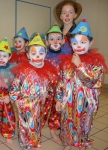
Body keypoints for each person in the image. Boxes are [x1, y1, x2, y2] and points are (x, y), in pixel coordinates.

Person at [55, 18, 108, 150]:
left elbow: (93, 82)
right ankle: (68, 142)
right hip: (69, 101)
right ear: (70, 44)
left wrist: (80, 65)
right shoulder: (67, 62)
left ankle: (81, 141)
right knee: (67, 121)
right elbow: (61, 82)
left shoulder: (96, 62)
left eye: (82, 42)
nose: (78, 45)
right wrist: (58, 99)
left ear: (91, 43)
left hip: (86, 101)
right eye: (74, 42)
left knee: (84, 122)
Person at [10, 33, 58, 150]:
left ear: (45, 54)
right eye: (34, 53)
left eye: (41, 53)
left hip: (40, 104)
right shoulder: (23, 70)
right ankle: (25, 143)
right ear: (28, 55)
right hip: (25, 103)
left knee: (37, 123)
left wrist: (52, 98)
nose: (37, 56)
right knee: (25, 124)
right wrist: (16, 99)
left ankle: (35, 141)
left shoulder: (48, 70)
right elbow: (15, 86)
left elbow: (52, 86)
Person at [44, 24, 65, 143]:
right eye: (51, 39)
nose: (55, 41)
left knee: (56, 111)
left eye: (58, 38)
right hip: (46, 89)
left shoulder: (66, 55)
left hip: (60, 89)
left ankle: (52, 130)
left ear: (62, 41)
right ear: (47, 42)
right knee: (43, 110)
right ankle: (37, 129)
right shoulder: (44, 55)